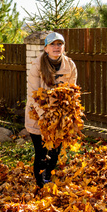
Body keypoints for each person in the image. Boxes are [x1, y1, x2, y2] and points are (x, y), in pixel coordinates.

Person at [25, 32, 78, 188]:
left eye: (59, 44)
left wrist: (66, 116)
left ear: (63, 47)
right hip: (38, 115)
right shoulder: (36, 65)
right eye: (53, 44)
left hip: (59, 116)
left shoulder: (70, 65)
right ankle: (40, 184)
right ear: (46, 48)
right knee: (41, 154)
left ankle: (47, 176)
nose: (56, 47)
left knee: (54, 152)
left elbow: (71, 92)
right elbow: (32, 94)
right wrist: (44, 116)